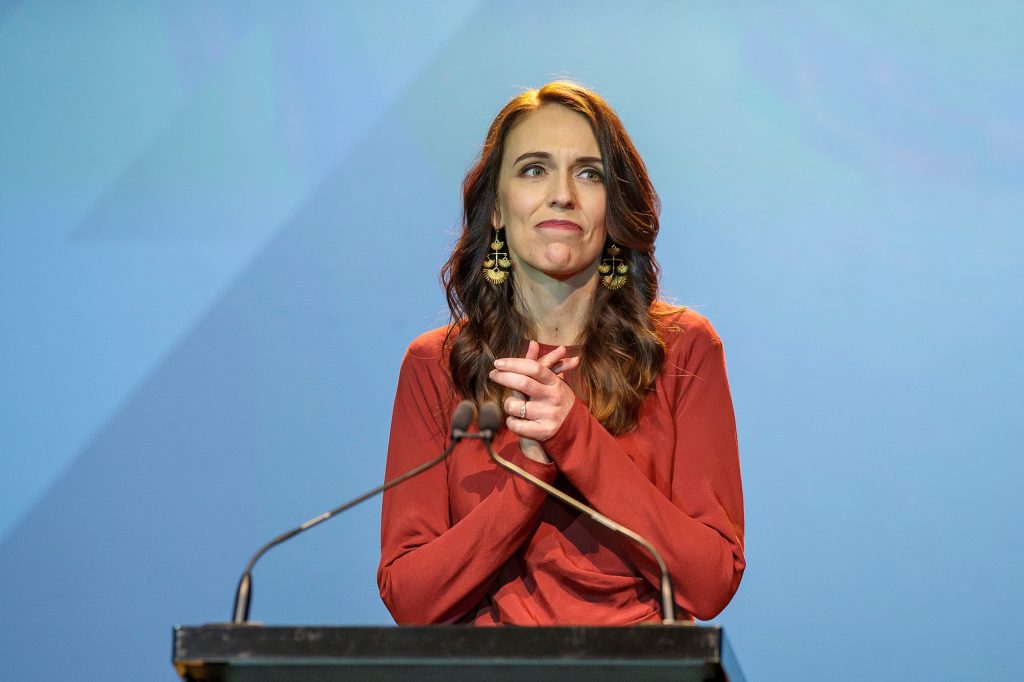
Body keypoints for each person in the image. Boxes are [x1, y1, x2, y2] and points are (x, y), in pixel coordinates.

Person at [377, 81, 744, 625]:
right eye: (533, 169)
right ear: (496, 210)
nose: (563, 194)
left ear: (614, 209)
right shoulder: (436, 364)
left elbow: (709, 582)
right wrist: (530, 470)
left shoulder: (684, 349)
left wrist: (574, 436)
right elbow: (410, 599)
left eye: (589, 173)